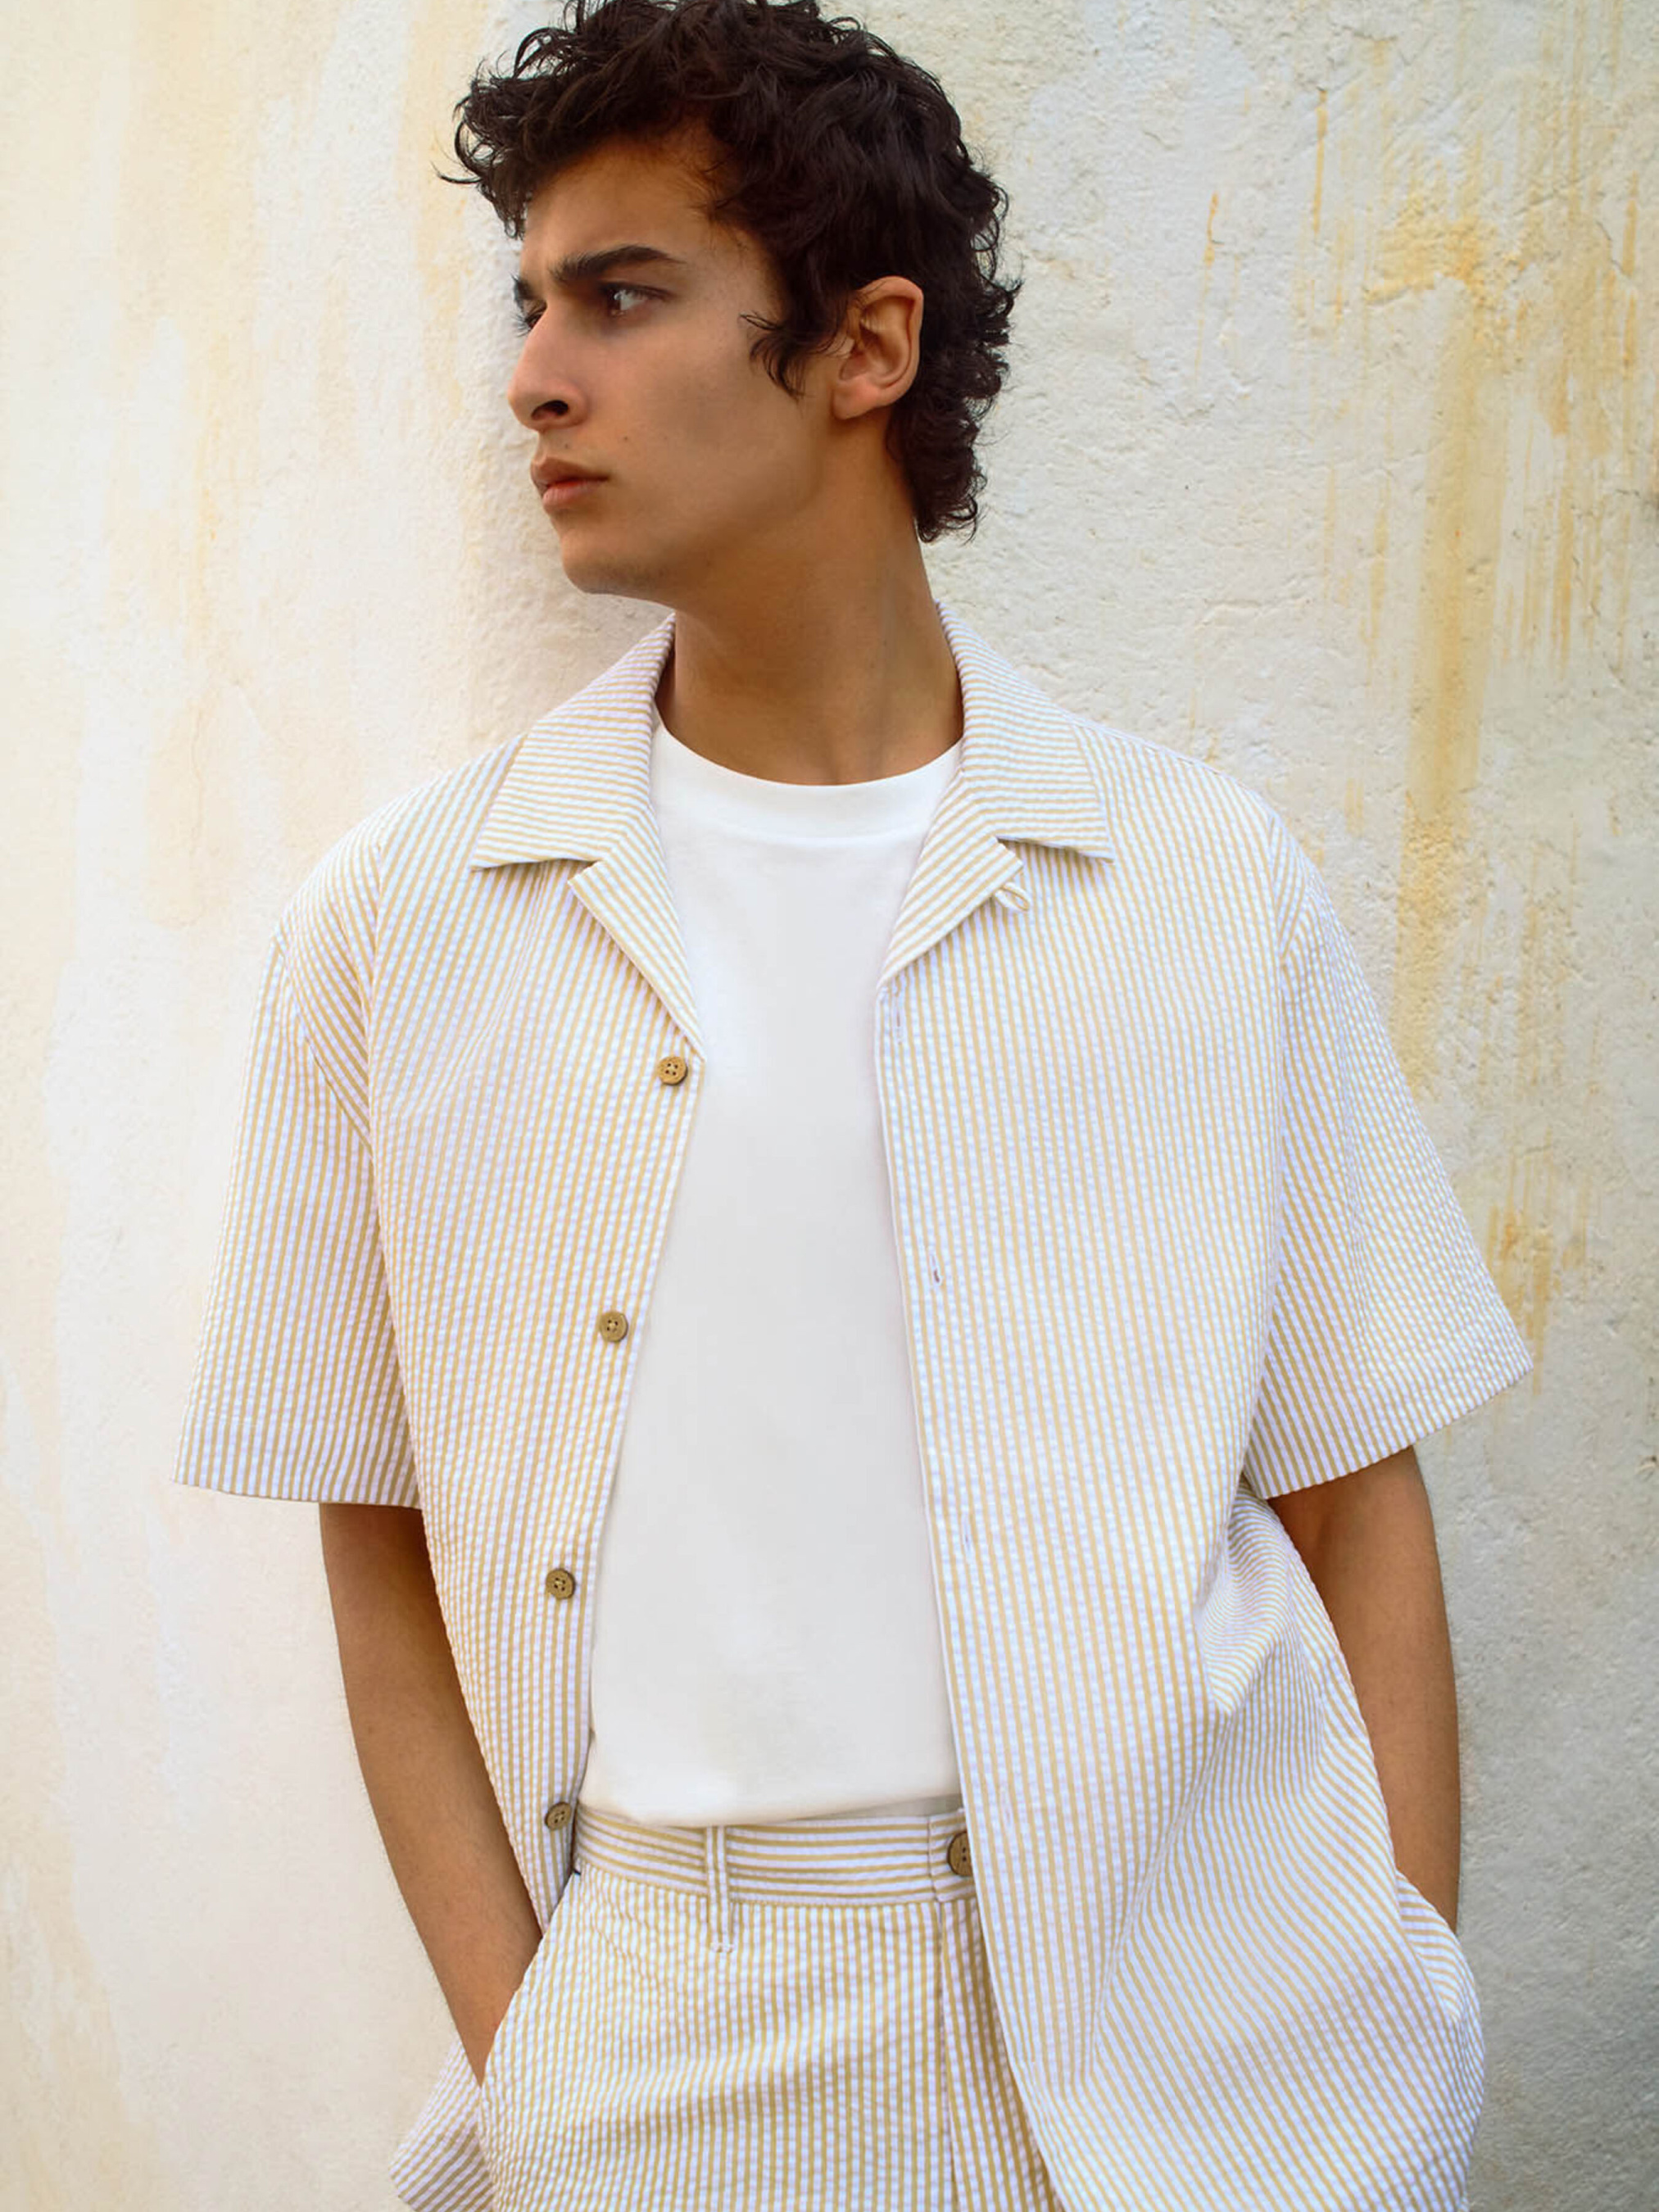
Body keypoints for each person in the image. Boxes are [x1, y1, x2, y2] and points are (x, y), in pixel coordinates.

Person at [175, 2, 1532, 2206]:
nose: (536, 376)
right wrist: (531, 2056)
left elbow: (1353, 1490)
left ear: (864, 347)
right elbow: (377, 1527)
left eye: (622, 296)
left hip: (1215, 2032)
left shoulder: (1199, 885)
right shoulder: (405, 925)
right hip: (671, 2035)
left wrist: (1404, 2011)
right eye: (529, 304)